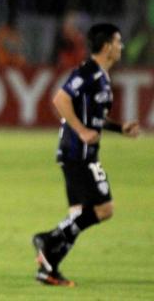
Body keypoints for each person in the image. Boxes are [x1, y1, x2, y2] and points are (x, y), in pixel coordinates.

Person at [32, 23, 140, 286]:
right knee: (104, 209)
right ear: (106, 47)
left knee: (78, 215)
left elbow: (93, 117)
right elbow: (60, 99)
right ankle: (48, 239)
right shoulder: (89, 72)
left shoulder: (101, 76)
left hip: (78, 151)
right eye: (118, 42)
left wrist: (119, 128)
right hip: (78, 153)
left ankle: (49, 270)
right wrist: (81, 131)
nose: (121, 47)